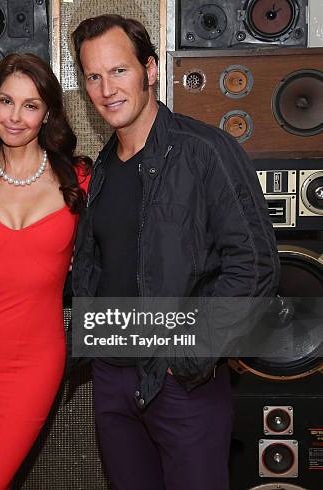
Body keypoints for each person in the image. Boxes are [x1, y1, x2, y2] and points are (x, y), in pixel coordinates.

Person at [70, 15, 279, 490]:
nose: (106, 89)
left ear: (150, 69)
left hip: (182, 384)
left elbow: (257, 265)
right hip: (113, 380)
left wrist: (186, 353)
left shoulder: (206, 151)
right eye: (93, 77)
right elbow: (103, 265)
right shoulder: (103, 166)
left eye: (118, 71)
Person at [0, 53, 91, 489]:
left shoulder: (78, 181)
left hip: (35, 360)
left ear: (47, 114)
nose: (16, 116)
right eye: (7, 101)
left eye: (30, 105)